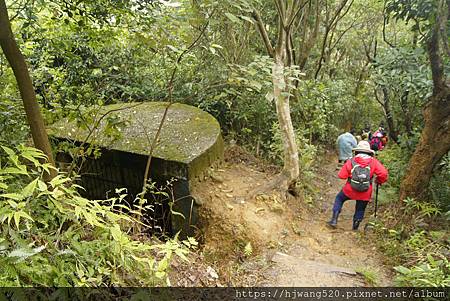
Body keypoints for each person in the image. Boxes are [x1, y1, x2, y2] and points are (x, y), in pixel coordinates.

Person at [327, 140, 388, 230]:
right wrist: (379, 180)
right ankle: (355, 227)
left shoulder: (351, 161)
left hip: (349, 190)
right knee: (361, 208)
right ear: (369, 152)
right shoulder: (373, 162)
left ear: (356, 151)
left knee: (339, 198)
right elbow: (383, 173)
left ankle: (334, 220)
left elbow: (341, 175)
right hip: (366, 191)